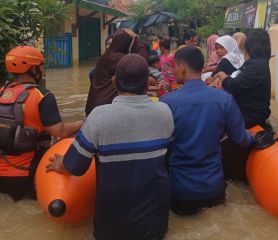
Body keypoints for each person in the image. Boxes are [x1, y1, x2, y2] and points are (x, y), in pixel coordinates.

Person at [46, 54, 174, 240]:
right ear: (147, 84)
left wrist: (62, 164)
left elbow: (76, 167)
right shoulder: (165, 112)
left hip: (113, 226)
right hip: (155, 223)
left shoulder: (99, 117)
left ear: (114, 82)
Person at [161, 46, 253, 215]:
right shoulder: (224, 99)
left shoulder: (166, 103)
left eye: (174, 67)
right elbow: (241, 139)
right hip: (214, 189)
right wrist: (255, 136)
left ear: (181, 68)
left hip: (181, 191)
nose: (173, 71)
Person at [0, 46, 83, 201]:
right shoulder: (42, 96)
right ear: (33, 69)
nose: (43, 69)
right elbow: (59, 132)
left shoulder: (2, 92)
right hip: (26, 173)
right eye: (41, 65)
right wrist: (82, 123)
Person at [215, 29, 271, 129]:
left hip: (250, 115)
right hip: (248, 110)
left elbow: (233, 85)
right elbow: (237, 76)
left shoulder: (257, 65)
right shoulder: (257, 62)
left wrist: (222, 75)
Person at [85, 28, 148, 116]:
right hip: (107, 107)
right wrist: (135, 38)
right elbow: (142, 61)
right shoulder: (121, 58)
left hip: (93, 105)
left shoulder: (104, 57)